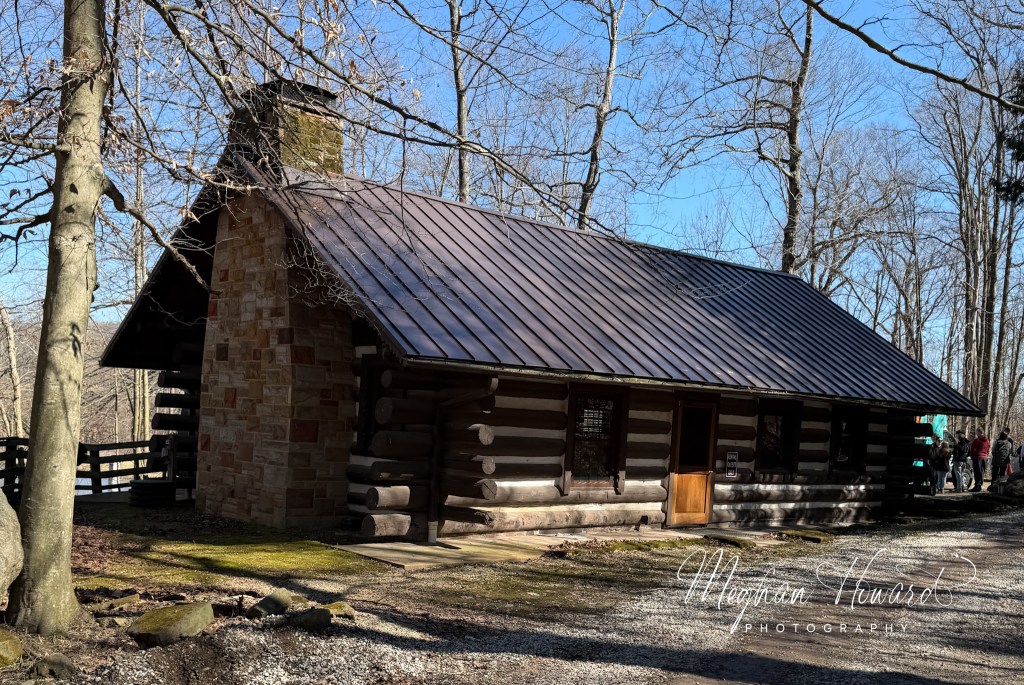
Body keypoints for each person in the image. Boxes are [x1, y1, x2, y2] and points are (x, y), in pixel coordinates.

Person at [969, 428, 990, 492]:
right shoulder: (987, 440)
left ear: (979, 432)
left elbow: (973, 449)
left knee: (977, 471)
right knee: (982, 472)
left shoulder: (977, 440)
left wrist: (972, 455)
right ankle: (980, 484)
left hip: (978, 457)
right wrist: (986, 454)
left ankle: (977, 486)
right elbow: (988, 448)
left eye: (977, 432)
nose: (976, 433)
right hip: (984, 457)